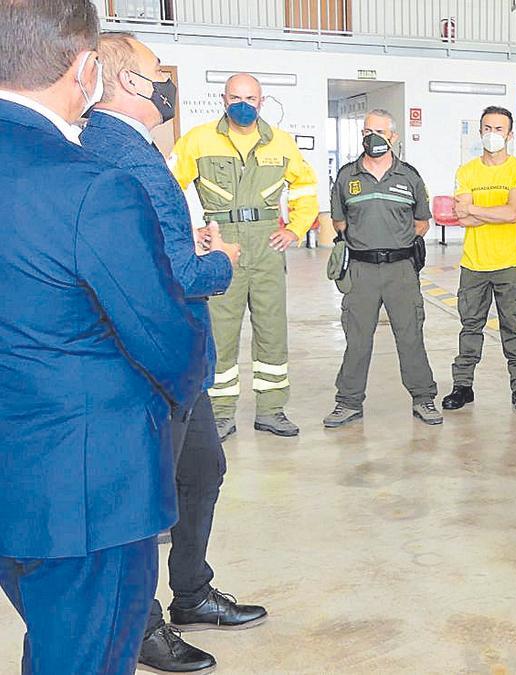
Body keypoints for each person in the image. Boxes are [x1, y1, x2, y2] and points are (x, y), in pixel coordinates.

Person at [0, 0, 206, 670]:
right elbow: (165, 336)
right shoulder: (93, 185)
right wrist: (185, 384)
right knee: (86, 655)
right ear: (85, 68)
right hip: (85, 490)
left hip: (14, 475)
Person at [83, 32, 268, 673]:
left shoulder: (117, 146)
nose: (166, 84)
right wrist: (220, 259)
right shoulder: (129, 154)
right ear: (128, 82)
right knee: (149, 498)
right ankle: (142, 625)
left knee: (202, 470)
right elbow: (180, 277)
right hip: (155, 366)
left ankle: (191, 592)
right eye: (156, 72)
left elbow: (142, 249)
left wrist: (186, 244)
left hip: (177, 367)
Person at [172, 72, 320, 440]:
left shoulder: (281, 142)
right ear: (223, 100)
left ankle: (271, 410)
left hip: (267, 241)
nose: (243, 104)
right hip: (223, 241)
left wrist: (295, 229)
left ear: (261, 102)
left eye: (250, 98)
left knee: (272, 328)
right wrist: (190, 231)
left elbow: (305, 186)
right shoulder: (199, 140)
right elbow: (168, 186)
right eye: (235, 97)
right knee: (221, 330)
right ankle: (220, 414)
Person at [324, 110, 444, 427]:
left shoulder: (409, 177)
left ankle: (423, 398)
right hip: (360, 270)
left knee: (410, 335)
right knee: (357, 339)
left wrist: (395, 242)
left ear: (393, 137)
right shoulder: (347, 177)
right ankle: (348, 402)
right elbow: (339, 222)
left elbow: (422, 223)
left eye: (379, 131)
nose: (372, 137)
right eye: (367, 131)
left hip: (400, 269)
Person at [442, 106, 516, 414]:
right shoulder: (466, 171)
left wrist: (475, 210)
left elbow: (513, 213)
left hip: (509, 264)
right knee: (470, 327)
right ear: (480, 131)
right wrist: (495, 213)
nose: (492, 134)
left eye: (498, 129)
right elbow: (462, 219)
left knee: (513, 327)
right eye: (487, 128)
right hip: (474, 265)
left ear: (510, 135)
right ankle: (462, 386)